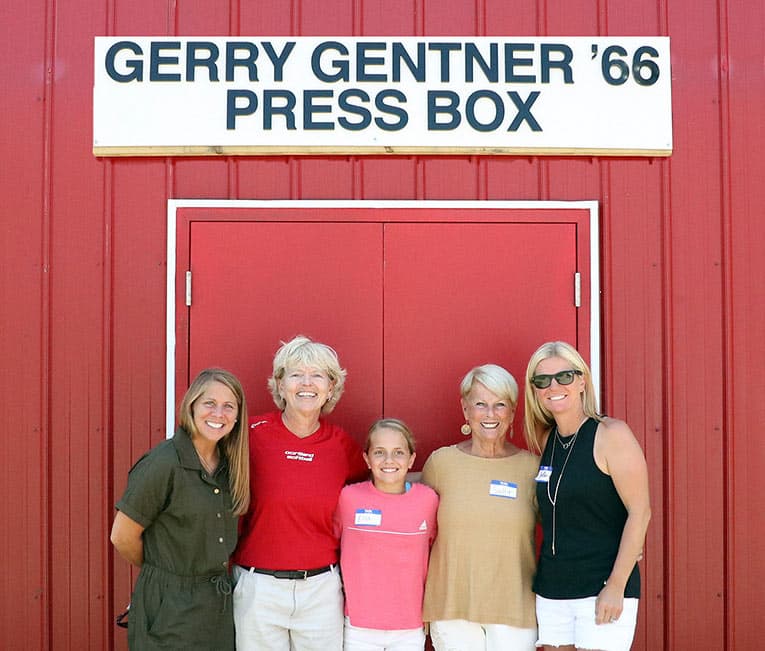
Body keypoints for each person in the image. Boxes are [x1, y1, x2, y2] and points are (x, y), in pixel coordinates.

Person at [232, 335, 368, 651]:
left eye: (317, 375)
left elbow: (379, 490)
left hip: (320, 589)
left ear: (331, 387)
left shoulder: (341, 445)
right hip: (259, 588)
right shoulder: (249, 436)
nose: (306, 383)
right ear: (280, 385)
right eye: (295, 374)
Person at [110, 368, 250, 651]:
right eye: (209, 403)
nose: (218, 413)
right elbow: (122, 536)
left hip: (217, 607)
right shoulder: (164, 463)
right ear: (192, 406)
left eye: (228, 406)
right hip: (169, 606)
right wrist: (164, 573)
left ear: (237, 416)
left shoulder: (230, 467)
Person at [524, 341, 651, 651]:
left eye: (564, 377)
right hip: (552, 589)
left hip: (601, 588)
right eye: (542, 381)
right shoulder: (546, 439)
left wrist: (616, 585)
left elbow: (640, 512)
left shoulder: (611, 434)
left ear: (582, 381)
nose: (554, 386)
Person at [422, 364, 539, 651]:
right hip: (453, 607)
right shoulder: (441, 464)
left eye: (500, 405)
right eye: (480, 404)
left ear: (512, 412)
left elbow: (565, 524)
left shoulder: (532, 467)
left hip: (514, 609)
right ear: (465, 409)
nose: (490, 414)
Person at [334, 418, 439, 651]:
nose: (389, 460)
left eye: (398, 452)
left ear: (411, 459)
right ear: (367, 459)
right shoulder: (348, 498)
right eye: (379, 452)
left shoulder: (428, 500)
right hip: (359, 625)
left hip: (409, 625)